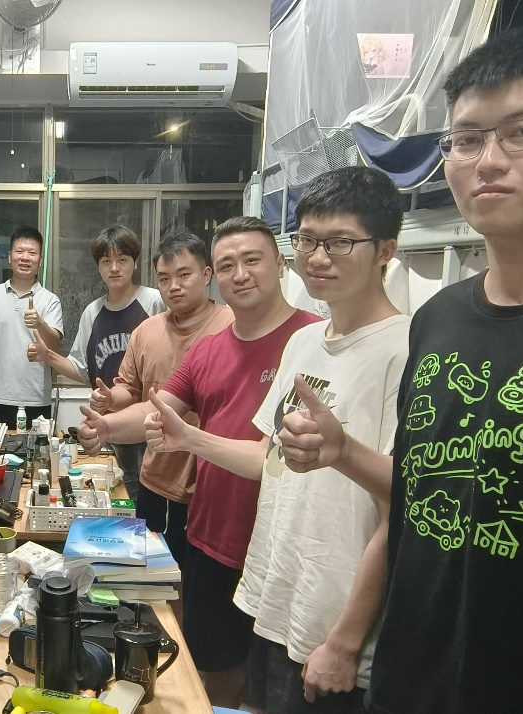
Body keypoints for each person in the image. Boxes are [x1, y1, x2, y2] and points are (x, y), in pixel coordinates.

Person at [277, 28, 523, 714]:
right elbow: (423, 496)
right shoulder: (439, 319)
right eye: (465, 139)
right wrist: (344, 453)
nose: (488, 161)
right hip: (408, 686)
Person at [144, 167, 408, 713]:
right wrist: (189, 437)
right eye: (308, 240)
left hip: (334, 622)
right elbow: (270, 460)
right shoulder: (305, 343)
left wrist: (346, 642)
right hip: (278, 598)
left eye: (340, 242)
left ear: (385, 249)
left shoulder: (406, 350)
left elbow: (400, 510)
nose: (318, 257)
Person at [80, 217, 319, 708]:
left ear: (280, 263)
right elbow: (158, 410)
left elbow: (267, 456)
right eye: (229, 264)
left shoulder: (311, 339)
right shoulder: (208, 349)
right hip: (212, 532)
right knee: (212, 664)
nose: (240, 274)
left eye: (252, 260)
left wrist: (189, 438)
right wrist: (107, 427)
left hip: (285, 543)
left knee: (281, 685)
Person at [76, 231, 231, 564]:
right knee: (150, 574)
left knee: (196, 579)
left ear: (207, 275)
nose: (174, 286)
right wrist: (110, 400)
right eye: (164, 278)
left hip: (212, 483)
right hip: (156, 476)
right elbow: (130, 389)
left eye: (184, 275)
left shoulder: (230, 327)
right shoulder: (146, 330)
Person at [29, 224, 164, 502]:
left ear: (134, 262)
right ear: (99, 267)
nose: (114, 268)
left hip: (149, 424)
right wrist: (47, 355)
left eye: (122, 259)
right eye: (106, 261)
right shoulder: (93, 312)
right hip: (108, 426)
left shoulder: (154, 302)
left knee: (149, 501)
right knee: (115, 498)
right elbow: (81, 369)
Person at [0, 225, 63, 428]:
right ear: (9, 256)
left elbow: (54, 346)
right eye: (20, 251)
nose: (25, 258)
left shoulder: (50, 300)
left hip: (36, 398)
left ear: (40, 260)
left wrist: (40, 323)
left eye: (32, 253)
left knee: (37, 450)